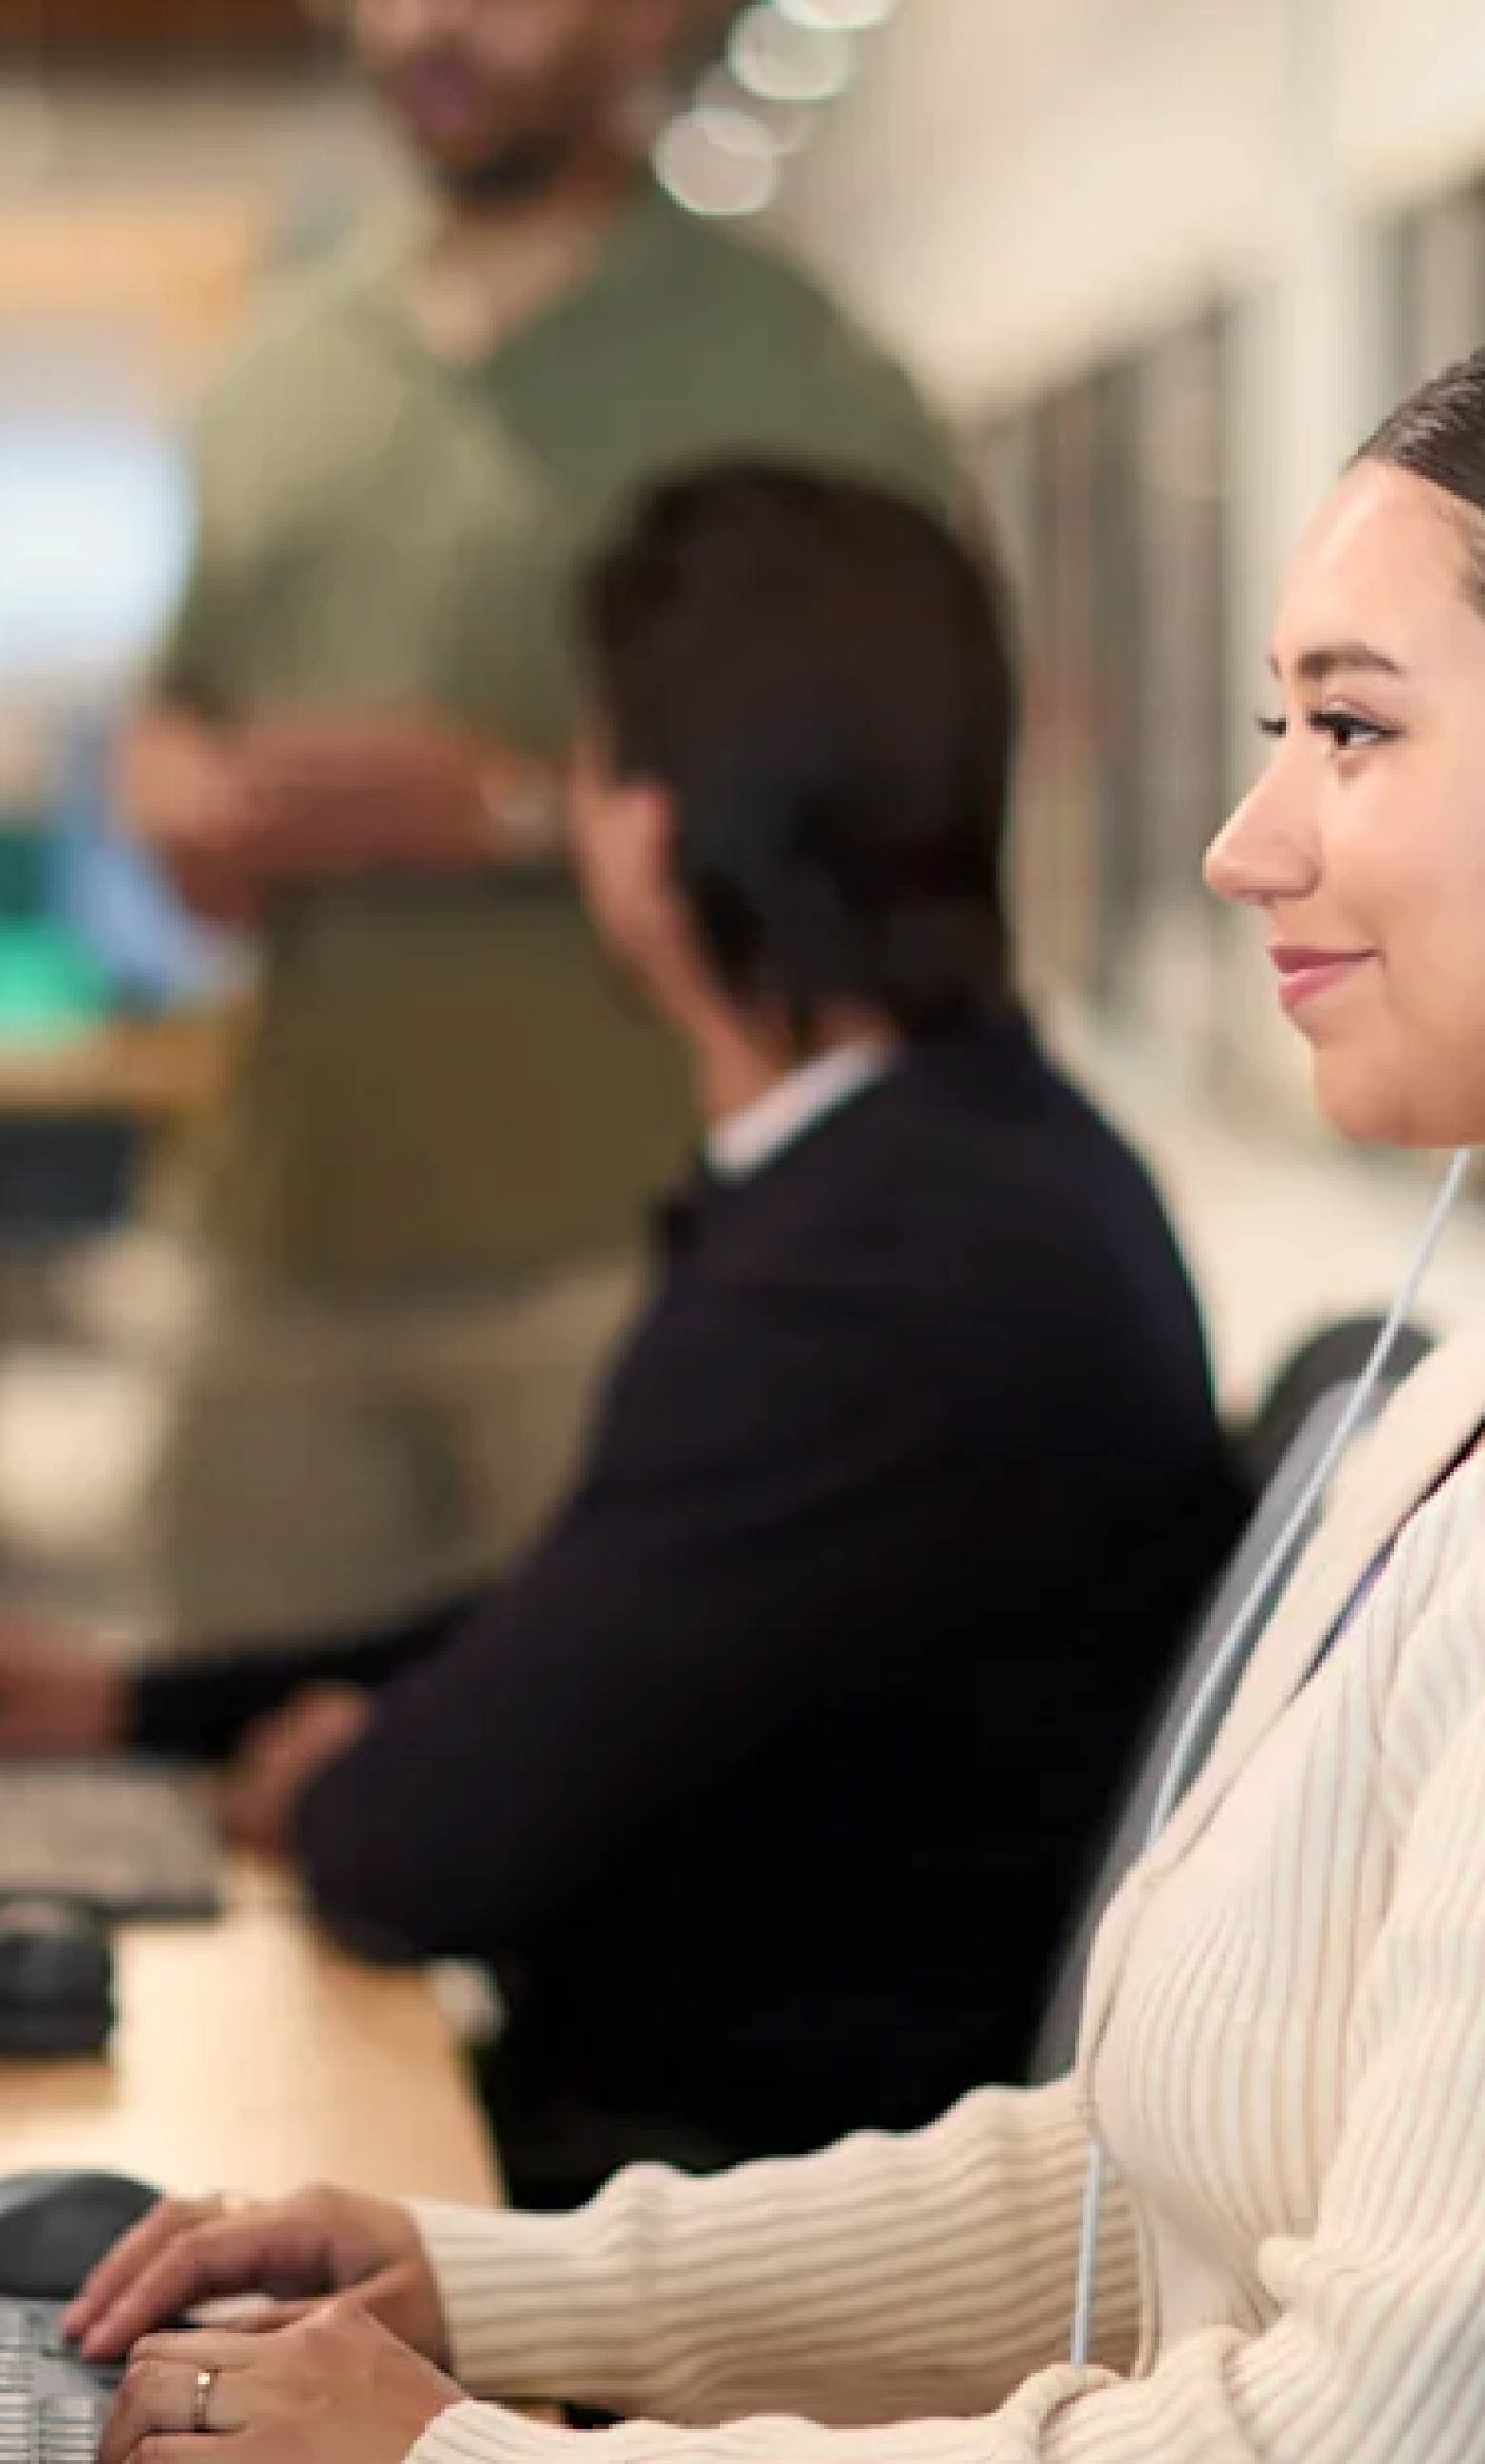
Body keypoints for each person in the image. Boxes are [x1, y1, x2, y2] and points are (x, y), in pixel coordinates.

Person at [42, 294, 1485, 2464]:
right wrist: (488, 2280)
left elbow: (1372, 2450)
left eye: (1353, 731)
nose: (1242, 840)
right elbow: (1157, 2185)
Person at [0, 466, 1240, 2208]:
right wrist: (144, 1705)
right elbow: (574, 1633)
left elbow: (419, 1851)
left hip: (726, 2203)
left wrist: (356, 1782)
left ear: (643, 836)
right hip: (751, 2144)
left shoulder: (876, 1271)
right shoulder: (967, 1172)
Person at [122, 0, 969, 1648]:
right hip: (282, 1242)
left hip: (636, 1252)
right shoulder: (274, 369)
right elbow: (178, 704)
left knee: (616, 1847)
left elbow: (902, 784)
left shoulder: (802, 376)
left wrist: (517, 810)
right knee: (227, 1806)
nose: (429, 25)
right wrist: (179, 794)